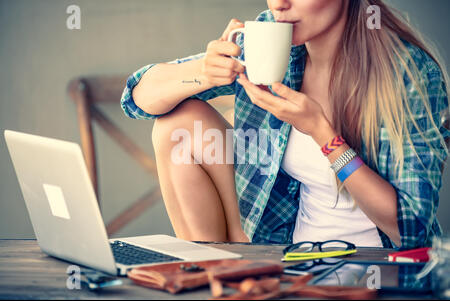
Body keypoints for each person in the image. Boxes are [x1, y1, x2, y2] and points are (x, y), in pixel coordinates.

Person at [121, 0, 450, 249]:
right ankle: (213, 282)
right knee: (177, 125)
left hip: (375, 271)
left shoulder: (409, 74)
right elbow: (137, 96)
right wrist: (203, 72)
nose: (279, 4)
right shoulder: (274, 39)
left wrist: (323, 134)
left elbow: (411, 230)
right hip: (286, 258)